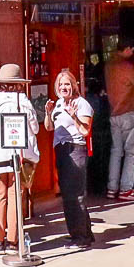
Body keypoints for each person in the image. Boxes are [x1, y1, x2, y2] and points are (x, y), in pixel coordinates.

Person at [0, 64, 42, 255]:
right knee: (15, 196)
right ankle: (13, 241)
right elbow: (35, 129)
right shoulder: (23, 100)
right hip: (18, 155)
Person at [47, 68, 96, 249]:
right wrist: (48, 112)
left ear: (73, 85)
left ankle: (80, 238)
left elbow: (85, 130)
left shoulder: (81, 104)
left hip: (75, 150)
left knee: (75, 195)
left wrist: (73, 115)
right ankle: (83, 233)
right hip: (61, 151)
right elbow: (49, 128)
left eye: (67, 84)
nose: (63, 87)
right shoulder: (59, 103)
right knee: (69, 194)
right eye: (60, 84)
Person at [104, 41, 134, 199]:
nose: (132, 53)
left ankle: (111, 187)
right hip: (128, 112)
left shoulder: (108, 65)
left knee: (116, 152)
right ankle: (126, 188)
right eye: (132, 49)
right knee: (131, 152)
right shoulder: (126, 66)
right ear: (127, 48)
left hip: (113, 114)